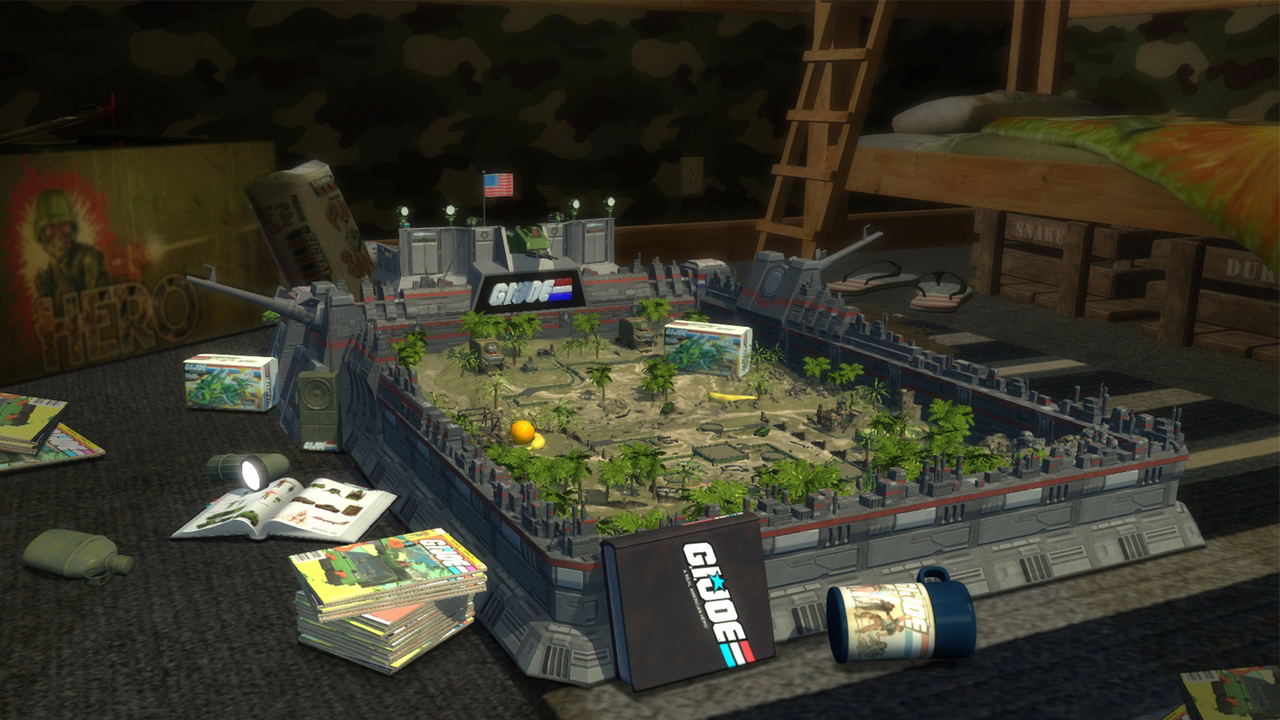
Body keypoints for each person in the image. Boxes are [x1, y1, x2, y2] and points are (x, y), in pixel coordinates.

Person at [32, 189, 111, 314]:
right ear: (41, 234)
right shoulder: (49, 272)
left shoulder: (88, 257)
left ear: (73, 228)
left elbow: (96, 309)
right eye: (50, 228)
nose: (58, 235)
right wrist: (46, 295)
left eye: (64, 226)